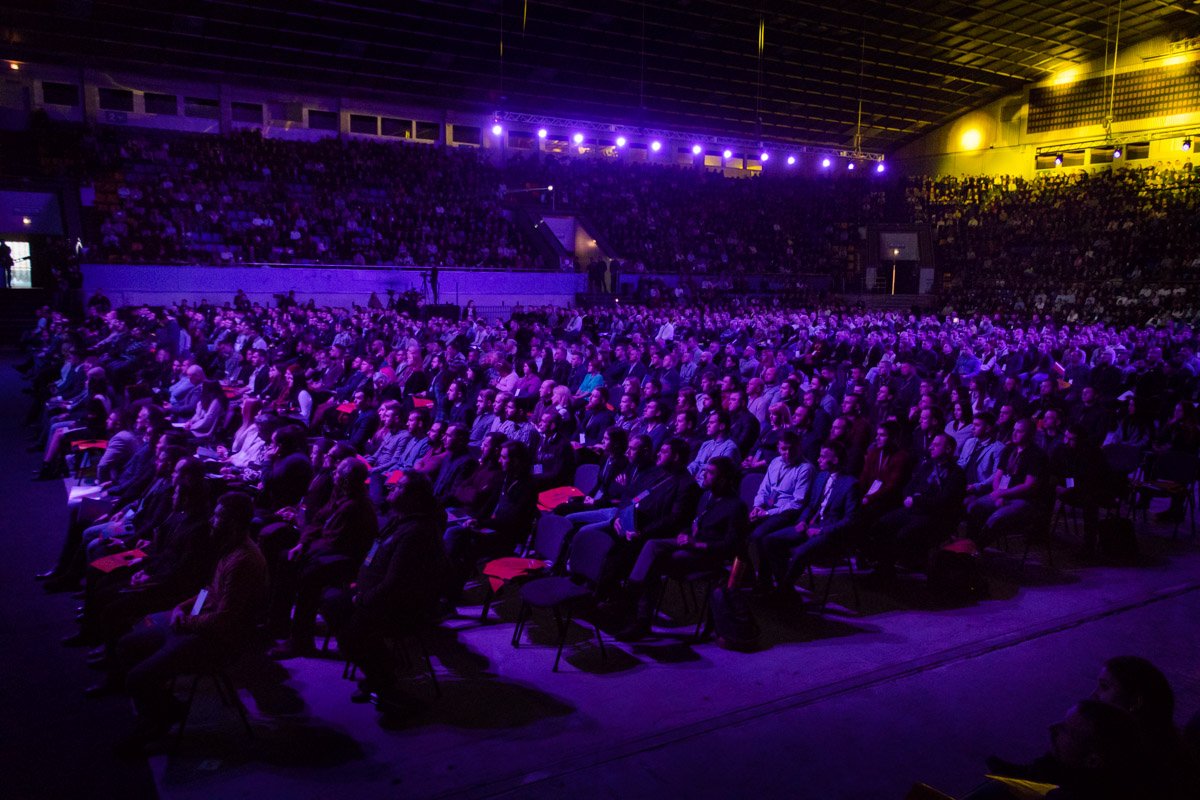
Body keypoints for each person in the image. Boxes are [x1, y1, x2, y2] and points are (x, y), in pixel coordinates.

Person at [110, 491, 265, 754]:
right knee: (127, 644)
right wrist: (182, 608)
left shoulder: (243, 561)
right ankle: (166, 709)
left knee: (137, 677)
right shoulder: (228, 547)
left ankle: (156, 722)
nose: (213, 520)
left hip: (219, 642)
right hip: (200, 625)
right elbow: (209, 590)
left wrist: (187, 623)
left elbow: (225, 620)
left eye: (218, 516)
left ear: (234, 522)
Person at [320, 471, 448, 715]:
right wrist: (360, 583)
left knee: (350, 631)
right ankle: (380, 671)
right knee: (329, 601)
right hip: (374, 595)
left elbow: (396, 583)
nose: (392, 489)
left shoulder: (416, 532)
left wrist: (363, 598)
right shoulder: (398, 519)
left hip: (398, 607)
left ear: (414, 497)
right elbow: (375, 552)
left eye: (399, 487)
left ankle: (385, 682)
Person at [616, 456, 747, 641]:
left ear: (724, 479)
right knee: (651, 544)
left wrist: (697, 544)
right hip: (689, 544)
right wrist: (685, 533)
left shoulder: (736, 507)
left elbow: (732, 546)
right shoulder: (706, 497)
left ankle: (637, 611)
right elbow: (693, 522)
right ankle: (635, 600)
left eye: (710, 473)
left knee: (653, 561)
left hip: (707, 554)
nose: (704, 475)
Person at [269, 456, 379, 658]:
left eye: (337, 473)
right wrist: (302, 543)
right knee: (286, 557)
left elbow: (333, 542)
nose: (334, 474)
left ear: (345, 479)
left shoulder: (355, 506)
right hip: (329, 550)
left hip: (348, 560)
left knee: (308, 573)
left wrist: (305, 551)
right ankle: (279, 623)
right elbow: (319, 520)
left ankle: (300, 640)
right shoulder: (340, 495)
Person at [760, 442, 860, 594]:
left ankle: (783, 591)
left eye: (823, 457)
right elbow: (811, 506)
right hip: (811, 526)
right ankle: (784, 587)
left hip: (830, 534)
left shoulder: (850, 484)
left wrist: (821, 531)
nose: (818, 459)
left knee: (800, 553)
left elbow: (850, 520)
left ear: (836, 460)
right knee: (770, 540)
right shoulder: (821, 477)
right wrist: (802, 520)